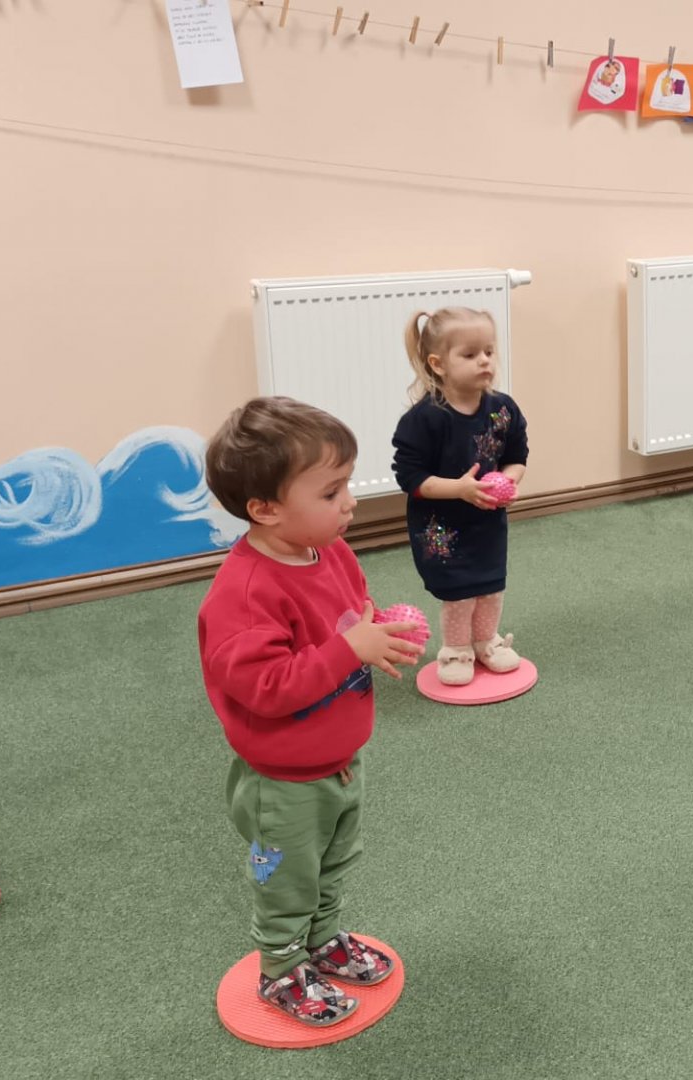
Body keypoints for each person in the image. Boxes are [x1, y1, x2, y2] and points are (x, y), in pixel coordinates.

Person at [199, 396, 424, 1026]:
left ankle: (322, 942)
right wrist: (351, 648)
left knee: (333, 864)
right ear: (265, 509)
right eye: (330, 492)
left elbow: (350, 615)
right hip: (282, 784)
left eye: (346, 483)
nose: (348, 502)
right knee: (286, 881)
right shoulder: (245, 594)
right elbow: (266, 687)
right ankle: (279, 967)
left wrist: (377, 631)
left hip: (340, 762)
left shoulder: (331, 551)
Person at [391, 308, 531, 687]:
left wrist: (508, 481)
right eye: (470, 354)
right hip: (442, 528)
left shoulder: (503, 410)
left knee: (490, 586)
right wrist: (460, 489)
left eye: (489, 351)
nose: (484, 361)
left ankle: (486, 641)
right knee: (459, 593)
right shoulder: (425, 419)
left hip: (487, 520)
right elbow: (411, 477)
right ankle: (455, 649)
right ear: (438, 364)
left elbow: (517, 455)